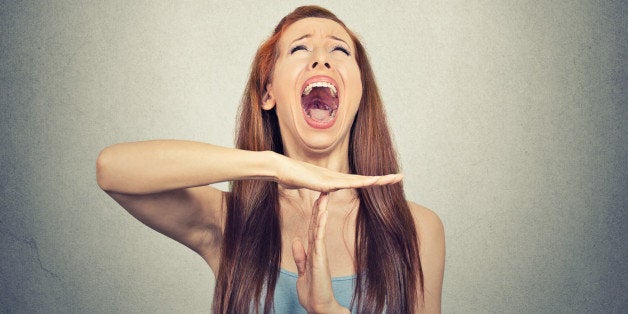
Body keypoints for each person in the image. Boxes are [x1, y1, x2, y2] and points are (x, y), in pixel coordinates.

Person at [96, 5, 444, 314]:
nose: (321, 59)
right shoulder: (230, 221)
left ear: (359, 91)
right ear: (268, 92)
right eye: (299, 48)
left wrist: (326, 309)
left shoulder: (418, 229)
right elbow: (112, 169)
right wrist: (273, 165)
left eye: (339, 49)